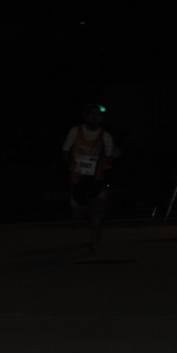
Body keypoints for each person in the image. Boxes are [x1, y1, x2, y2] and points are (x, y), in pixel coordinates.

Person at [62, 103, 115, 252]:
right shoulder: (75, 131)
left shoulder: (106, 136)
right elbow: (65, 151)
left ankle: (95, 243)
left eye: (98, 115)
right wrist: (71, 167)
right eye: (92, 114)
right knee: (77, 213)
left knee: (97, 211)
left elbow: (109, 158)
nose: (94, 118)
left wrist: (104, 166)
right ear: (85, 116)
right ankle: (81, 239)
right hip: (77, 178)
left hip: (96, 180)